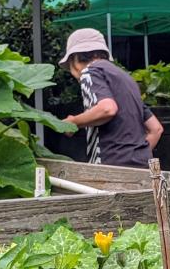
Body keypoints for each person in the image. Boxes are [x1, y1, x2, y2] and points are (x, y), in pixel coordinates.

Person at [59, 28, 163, 168]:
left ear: (74, 59)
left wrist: (73, 122)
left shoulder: (89, 71)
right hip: (144, 167)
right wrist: (137, 157)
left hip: (111, 164)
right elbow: (156, 129)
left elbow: (107, 109)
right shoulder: (126, 79)